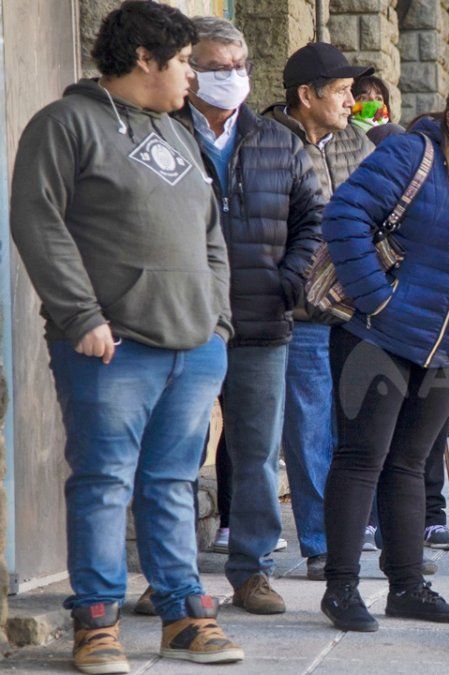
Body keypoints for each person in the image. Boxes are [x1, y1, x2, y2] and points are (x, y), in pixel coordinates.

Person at [10, 2, 243, 670]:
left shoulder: (175, 133)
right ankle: (97, 619)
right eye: (183, 64)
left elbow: (210, 235)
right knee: (104, 481)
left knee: (173, 482)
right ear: (145, 57)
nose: (192, 80)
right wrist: (80, 315)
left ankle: (181, 615)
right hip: (111, 347)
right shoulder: (66, 122)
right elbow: (37, 219)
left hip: (193, 345)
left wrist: (217, 324)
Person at [319, 70, 449, 632]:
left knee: (412, 464)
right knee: (362, 458)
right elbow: (344, 217)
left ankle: (408, 585)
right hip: (377, 337)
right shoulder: (414, 154)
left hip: (447, 348)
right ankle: (340, 588)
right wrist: (376, 299)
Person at [171, 14, 324, 618]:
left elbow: (313, 218)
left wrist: (290, 281)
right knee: (178, 452)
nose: (230, 78)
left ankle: (252, 571)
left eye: (239, 68)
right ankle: (172, 573)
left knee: (259, 452)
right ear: (189, 71)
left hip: (263, 320)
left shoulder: (275, 139)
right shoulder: (166, 135)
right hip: (185, 321)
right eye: (215, 67)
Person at [262, 43, 376, 581]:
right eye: (343, 92)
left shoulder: (357, 142)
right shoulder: (263, 143)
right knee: (309, 432)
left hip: (357, 310)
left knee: (357, 426)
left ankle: (356, 532)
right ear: (306, 96)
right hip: (300, 313)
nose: (353, 102)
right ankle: (321, 543)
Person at [352, 74, 405, 144]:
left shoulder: (395, 133)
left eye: (378, 98)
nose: (373, 101)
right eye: (363, 98)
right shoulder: (342, 136)